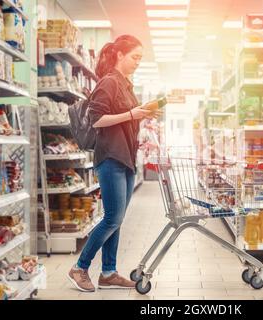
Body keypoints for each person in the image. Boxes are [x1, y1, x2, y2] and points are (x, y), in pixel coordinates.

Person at [68, 35, 159, 292]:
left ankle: (108, 272)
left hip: (126, 158)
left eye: (141, 58)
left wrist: (142, 114)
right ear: (119, 54)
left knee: (117, 219)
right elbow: (97, 120)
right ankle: (79, 267)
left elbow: (124, 119)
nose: (138, 63)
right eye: (135, 57)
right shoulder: (108, 82)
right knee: (111, 218)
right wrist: (132, 114)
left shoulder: (125, 84)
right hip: (110, 157)